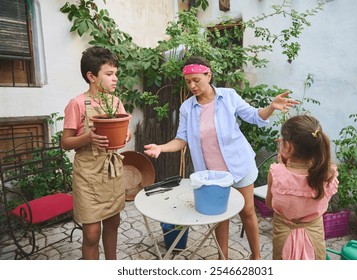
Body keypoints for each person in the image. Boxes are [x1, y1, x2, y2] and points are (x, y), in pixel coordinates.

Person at [144, 55, 299, 260]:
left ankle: (257, 257)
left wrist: (271, 107)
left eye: (196, 80)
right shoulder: (186, 108)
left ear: (208, 75)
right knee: (220, 217)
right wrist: (161, 148)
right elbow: (181, 140)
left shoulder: (229, 96)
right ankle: (222, 260)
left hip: (239, 165)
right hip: (212, 175)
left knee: (247, 211)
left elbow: (254, 116)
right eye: (188, 81)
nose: (192, 85)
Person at [61, 46, 130, 260]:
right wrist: (88, 137)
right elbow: (65, 142)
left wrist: (125, 136)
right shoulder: (77, 104)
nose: (115, 79)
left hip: (112, 172)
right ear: (91, 76)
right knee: (91, 234)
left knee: (113, 223)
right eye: (109, 74)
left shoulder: (115, 102)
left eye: (115, 73)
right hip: (88, 175)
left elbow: (123, 129)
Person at [265, 115, 339, 260]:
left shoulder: (276, 173)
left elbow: (270, 204)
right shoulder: (328, 174)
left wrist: (282, 165)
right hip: (314, 235)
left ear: (287, 146)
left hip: (283, 234)